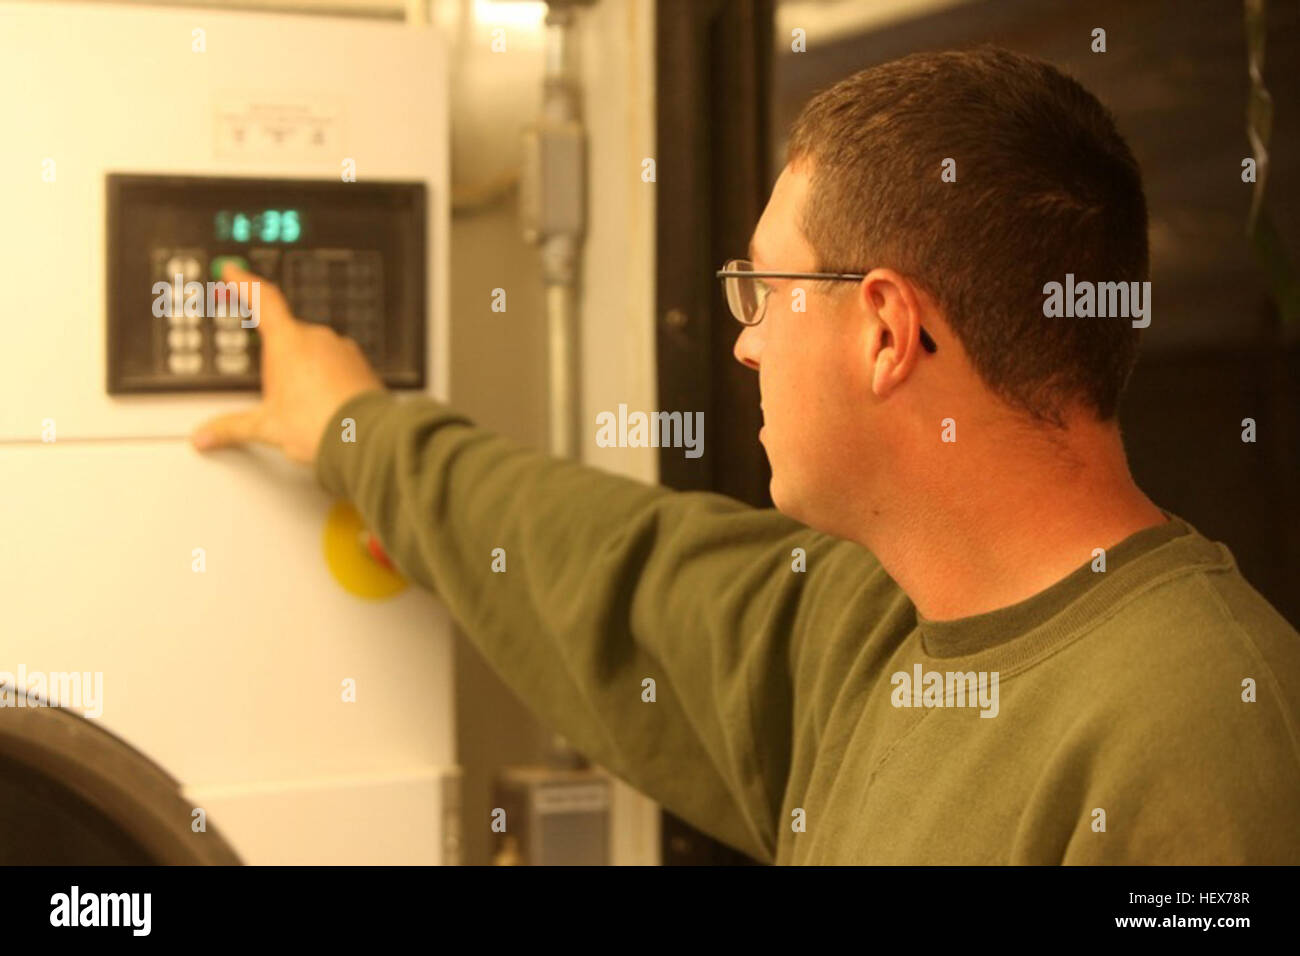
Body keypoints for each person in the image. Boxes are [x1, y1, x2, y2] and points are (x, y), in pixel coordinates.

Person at [192, 47, 1300, 864]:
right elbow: (602, 567)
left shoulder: (1204, 736)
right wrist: (354, 425)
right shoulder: (866, 625)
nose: (744, 339)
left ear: (883, 331)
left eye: (764, 290)